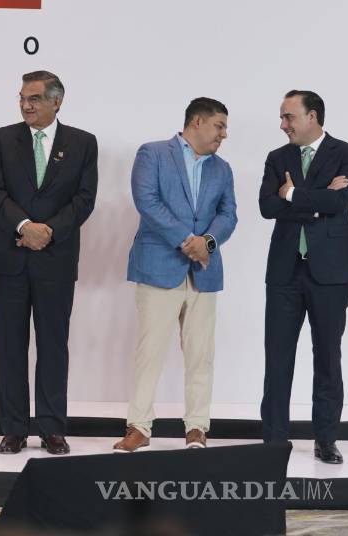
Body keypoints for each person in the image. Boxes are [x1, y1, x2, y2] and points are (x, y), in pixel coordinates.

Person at [113, 98, 237, 453]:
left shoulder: (222, 169)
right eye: (219, 126)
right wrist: (188, 241)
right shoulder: (152, 154)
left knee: (201, 354)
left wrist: (208, 242)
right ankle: (139, 427)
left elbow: (229, 215)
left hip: (205, 272)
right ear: (197, 122)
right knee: (149, 351)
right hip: (158, 267)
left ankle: (197, 428)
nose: (224, 134)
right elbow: (147, 201)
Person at [0, 70, 98, 456]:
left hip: (56, 258)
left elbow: (84, 200)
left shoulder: (83, 143)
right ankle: (13, 429)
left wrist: (48, 231)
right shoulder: (3, 138)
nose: (25, 105)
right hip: (9, 258)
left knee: (53, 346)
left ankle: (52, 428)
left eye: (33, 98)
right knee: (10, 347)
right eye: (21, 97)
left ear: (56, 102)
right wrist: (24, 225)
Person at [259, 90, 348, 464]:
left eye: (289, 117)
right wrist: (312, 200)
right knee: (277, 358)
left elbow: (339, 203)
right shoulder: (277, 157)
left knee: (328, 357)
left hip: (331, 273)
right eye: (283, 118)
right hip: (285, 272)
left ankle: (326, 439)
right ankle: (273, 442)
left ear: (312, 116)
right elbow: (267, 207)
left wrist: (293, 194)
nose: (283, 125)